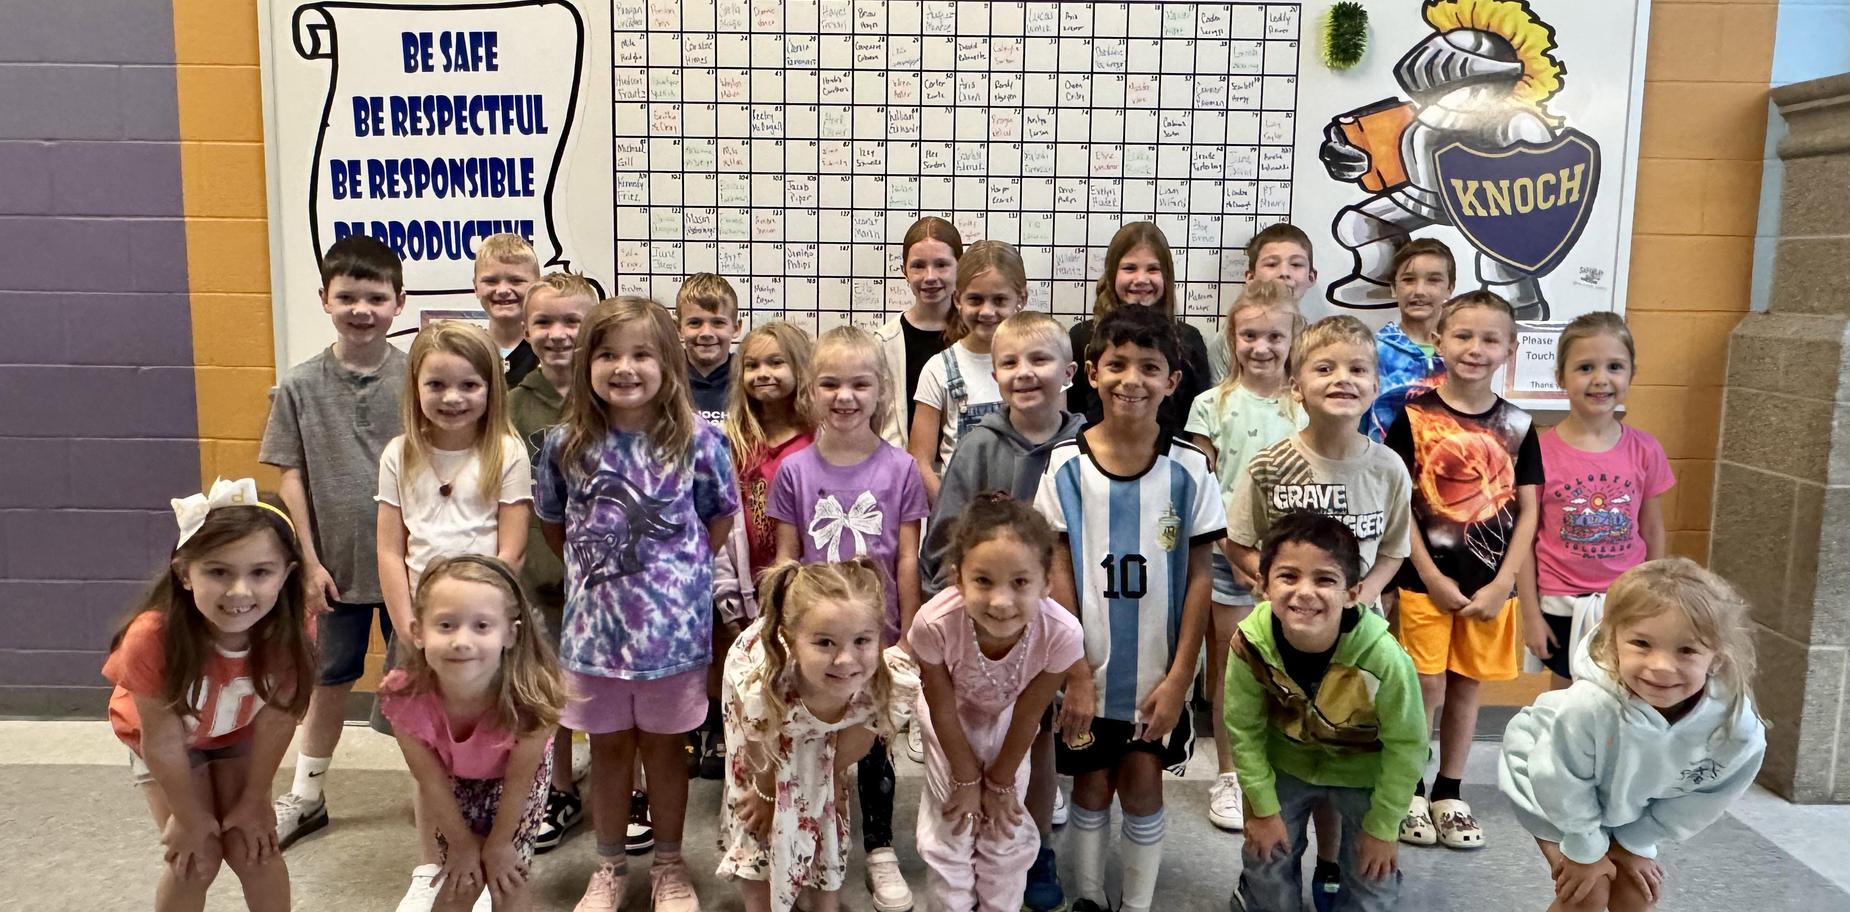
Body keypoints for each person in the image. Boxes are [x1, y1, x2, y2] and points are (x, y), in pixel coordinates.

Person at [533, 297, 740, 912]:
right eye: (608, 354)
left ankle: (670, 866)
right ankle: (609, 865)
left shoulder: (700, 441)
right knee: (609, 751)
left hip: (672, 641)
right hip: (595, 637)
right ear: (586, 364)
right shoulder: (566, 444)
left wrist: (669, 580)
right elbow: (555, 525)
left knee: (666, 753)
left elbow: (718, 520)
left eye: (642, 354)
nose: (625, 368)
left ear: (668, 363)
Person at [1034, 306, 1225, 912]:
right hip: (1087, 672)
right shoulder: (1066, 464)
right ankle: (1090, 898)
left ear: (1172, 381)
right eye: (1116, 364)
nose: (1131, 379)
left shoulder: (1191, 468)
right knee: (1090, 784)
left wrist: (1179, 680)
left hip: (1155, 674)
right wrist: (1075, 672)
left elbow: (1200, 578)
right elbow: (1057, 567)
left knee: (1142, 781)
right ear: (1091, 371)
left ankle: (1135, 905)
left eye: (1149, 367)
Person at [1224, 313, 1413, 909]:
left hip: (1355, 635)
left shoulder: (1386, 468)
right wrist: (1274, 587)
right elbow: (1238, 538)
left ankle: (1333, 868)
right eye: (1324, 367)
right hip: (1287, 633)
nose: (1342, 379)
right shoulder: (1270, 463)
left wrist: (1363, 595)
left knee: (1347, 758)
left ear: (1376, 383)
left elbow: (1394, 549)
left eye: (1358, 369)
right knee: (1298, 750)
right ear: (1295, 384)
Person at [917, 309, 1083, 911]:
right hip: (979, 629)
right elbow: (946, 540)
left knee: (1036, 741)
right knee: (974, 744)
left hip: (1050, 631)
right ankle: (964, 852)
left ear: (1068, 371)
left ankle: (1030, 852)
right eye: (1009, 362)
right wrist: (966, 604)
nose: (1024, 373)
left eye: (1039, 360)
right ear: (993, 371)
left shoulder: (1082, 447)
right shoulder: (979, 441)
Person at [1500, 558, 1766, 912]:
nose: (1661, 666)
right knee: (1587, 892)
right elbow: (1560, 781)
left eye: (1686, 650)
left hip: (1622, 800)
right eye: (1641, 643)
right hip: (1546, 780)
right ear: (1613, 644)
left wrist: (1634, 841)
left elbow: (1708, 795)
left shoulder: (1736, 728)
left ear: (1715, 660)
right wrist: (1585, 850)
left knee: (1636, 895)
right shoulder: (1589, 707)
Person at [770, 325, 929, 912]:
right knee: (812, 742)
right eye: (831, 383)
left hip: (875, 638)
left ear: (881, 390)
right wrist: (783, 634)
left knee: (875, 740)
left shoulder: (901, 469)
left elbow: (908, 556)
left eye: (859, 384)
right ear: (810, 392)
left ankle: (880, 849)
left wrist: (905, 633)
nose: (845, 396)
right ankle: (814, 841)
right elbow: (787, 558)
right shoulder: (794, 471)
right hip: (815, 643)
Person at [103, 478, 315, 912]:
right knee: (197, 857)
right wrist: (187, 815)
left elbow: (278, 717)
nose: (240, 592)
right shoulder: (151, 638)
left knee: (254, 847)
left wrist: (256, 799)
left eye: (260, 572)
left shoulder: (292, 630)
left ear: (287, 573)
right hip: (168, 741)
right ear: (184, 572)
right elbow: (159, 739)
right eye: (218, 572)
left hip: (236, 730)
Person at [379, 319, 534, 911]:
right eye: (436, 384)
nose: (452, 398)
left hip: (481, 621)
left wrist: (479, 618)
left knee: (489, 739)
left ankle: (498, 847)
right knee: (428, 745)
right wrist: (408, 627)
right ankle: (430, 862)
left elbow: (511, 549)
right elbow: (390, 550)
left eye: (469, 385)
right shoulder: (401, 454)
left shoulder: (506, 451)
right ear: (414, 388)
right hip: (421, 628)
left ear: (491, 388)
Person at [261, 235, 408, 849]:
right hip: (336, 570)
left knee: (418, 685)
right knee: (329, 682)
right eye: (347, 296)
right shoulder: (297, 386)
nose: (361, 308)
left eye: (376, 296)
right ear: (324, 299)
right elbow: (289, 473)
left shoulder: (418, 376)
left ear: (400, 302)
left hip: (410, 566)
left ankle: (440, 792)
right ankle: (309, 794)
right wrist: (309, 560)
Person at [1385, 290, 1542, 851]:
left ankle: (1450, 791)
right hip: (1424, 582)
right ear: (1439, 341)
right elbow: (1398, 504)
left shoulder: (1519, 425)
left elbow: (1529, 511)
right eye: (1464, 336)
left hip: (1488, 587)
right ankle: (1409, 787)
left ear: (1510, 348)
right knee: (1422, 685)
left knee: (1465, 687)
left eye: (1490, 338)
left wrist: (1504, 583)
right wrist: (1426, 574)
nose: (1475, 348)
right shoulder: (1413, 417)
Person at [1225, 513, 1425, 912]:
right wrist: (1262, 809)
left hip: (1364, 774)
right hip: (1287, 765)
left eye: (1324, 580)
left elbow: (1408, 746)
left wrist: (1383, 828)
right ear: (1263, 585)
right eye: (1288, 576)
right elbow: (1243, 730)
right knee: (1266, 856)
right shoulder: (1249, 643)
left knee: (1373, 879)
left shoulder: (1384, 659)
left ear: (1352, 592)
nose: (1304, 592)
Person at [909, 496, 1085, 912]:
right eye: (984, 581)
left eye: (1020, 583)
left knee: (1004, 827)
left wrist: (1001, 781)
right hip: (948, 719)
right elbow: (942, 706)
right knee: (954, 825)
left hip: (1008, 720)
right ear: (958, 579)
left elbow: (1029, 712)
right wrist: (968, 780)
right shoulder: (933, 624)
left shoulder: (1062, 634)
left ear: (1046, 583)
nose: (1001, 602)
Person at [717, 559, 920, 912]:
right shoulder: (761, 681)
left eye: (861, 640)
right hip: (762, 732)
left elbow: (846, 753)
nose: (845, 660)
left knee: (821, 801)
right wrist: (765, 794)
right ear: (793, 642)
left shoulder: (878, 684)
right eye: (825, 643)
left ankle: (816, 878)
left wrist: (830, 782)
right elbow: (757, 746)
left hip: (813, 721)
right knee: (759, 821)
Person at [378, 555, 571, 912]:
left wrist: (498, 844)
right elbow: (430, 780)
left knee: (507, 880)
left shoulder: (534, 696)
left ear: (510, 633)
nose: (462, 641)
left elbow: (520, 779)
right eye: (446, 625)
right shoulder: (402, 696)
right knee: (459, 881)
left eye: (481, 626)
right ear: (418, 632)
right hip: (453, 780)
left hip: (516, 784)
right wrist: (462, 844)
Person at [1183, 278, 1307, 834]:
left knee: (1292, 666)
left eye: (1274, 336)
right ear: (1231, 338)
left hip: (1295, 564)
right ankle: (1231, 775)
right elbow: (1202, 485)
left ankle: (1284, 766)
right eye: (1249, 335)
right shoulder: (1211, 404)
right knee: (1236, 670)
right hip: (1227, 557)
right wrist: (1234, 556)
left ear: (1293, 339)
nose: (1261, 347)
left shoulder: (1304, 405)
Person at [1519, 313, 1673, 689]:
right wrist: (1531, 614)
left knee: (1628, 694)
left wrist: (1656, 600)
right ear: (1560, 376)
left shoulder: (1645, 449)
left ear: (1631, 373)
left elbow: (1652, 529)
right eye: (1585, 367)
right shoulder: (1537, 449)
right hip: (1560, 602)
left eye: (1615, 367)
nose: (1601, 379)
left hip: (1627, 601)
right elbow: (1524, 538)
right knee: (1567, 702)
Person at [506, 273, 600, 851]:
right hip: (540, 578)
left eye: (574, 321)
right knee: (547, 692)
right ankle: (559, 788)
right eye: (544, 321)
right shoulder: (511, 404)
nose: (559, 334)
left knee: (615, 692)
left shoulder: (615, 394)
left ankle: (630, 789)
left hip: (610, 583)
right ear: (525, 328)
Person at [1065, 221, 1212, 433]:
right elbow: (1071, 414)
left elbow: (1198, 419)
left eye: (1153, 269)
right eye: (1129, 268)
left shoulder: (1189, 340)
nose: (1141, 279)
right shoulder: (1082, 338)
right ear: (1112, 274)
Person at [908, 240, 1026, 502]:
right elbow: (919, 461)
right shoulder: (938, 368)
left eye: (999, 300)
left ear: (1021, 299)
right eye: (975, 299)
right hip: (961, 524)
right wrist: (948, 514)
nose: (987, 311)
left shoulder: (1040, 364)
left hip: (1025, 520)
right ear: (958, 299)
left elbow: (1057, 444)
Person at [876, 216, 965, 447]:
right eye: (918, 266)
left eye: (941, 264)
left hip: (965, 473)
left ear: (960, 267)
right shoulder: (883, 343)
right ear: (904, 270)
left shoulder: (979, 335)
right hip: (903, 473)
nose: (930, 277)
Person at [1364, 238, 1453, 443]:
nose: (1419, 291)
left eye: (1433, 280)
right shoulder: (1371, 352)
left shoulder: (1461, 355)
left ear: (1450, 287)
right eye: (1408, 280)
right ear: (1394, 288)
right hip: (1385, 470)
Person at [1206, 223, 1318, 379]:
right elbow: (1217, 398)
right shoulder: (1228, 339)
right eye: (1271, 264)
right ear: (1250, 278)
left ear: (1311, 277)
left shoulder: (1317, 340)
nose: (1284, 273)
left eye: (1296, 264)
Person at [472, 233, 543, 387]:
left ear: (537, 285)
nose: (503, 290)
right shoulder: (468, 352)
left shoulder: (547, 352)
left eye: (516, 281)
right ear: (476, 287)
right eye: (491, 281)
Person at [678, 272, 740, 425]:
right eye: (695, 323)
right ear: (679, 329)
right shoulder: (664, 378)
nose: (706, 333)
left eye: (718, 323)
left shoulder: (748, 378)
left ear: (736, 329)